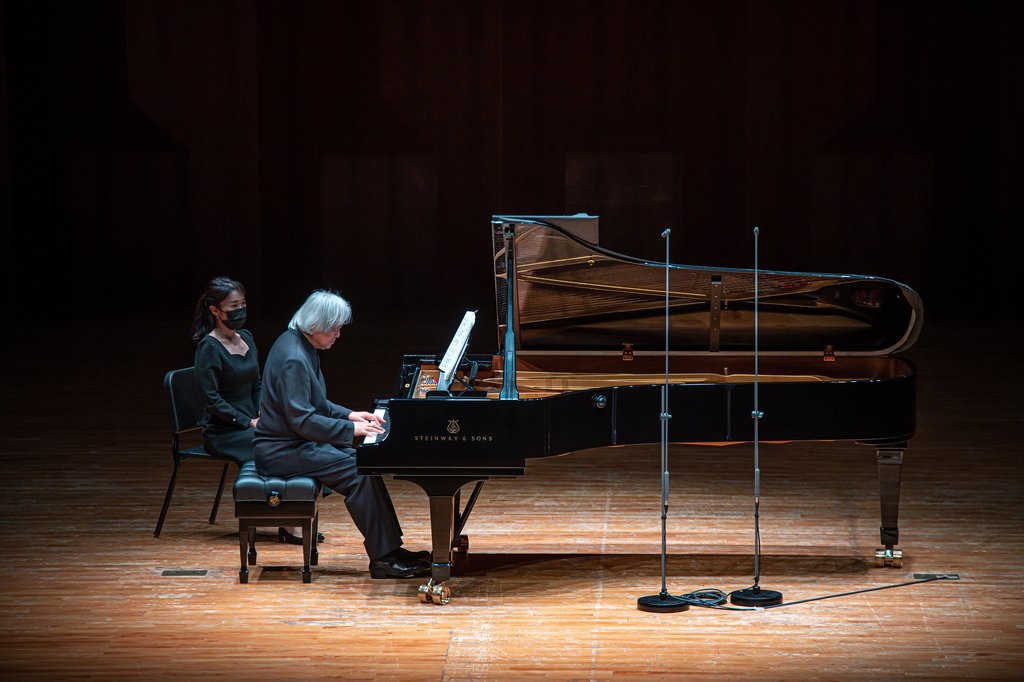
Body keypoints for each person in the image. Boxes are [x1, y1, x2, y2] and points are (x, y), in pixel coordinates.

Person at [254, 290, 429, 579]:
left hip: (294, 442)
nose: (338, 335)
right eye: (334, 329)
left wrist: (349, 415)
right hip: (280, 451)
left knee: (363, 465)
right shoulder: (294, 358)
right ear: (315, 325)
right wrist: (350, 430)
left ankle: (389, 550)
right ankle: (383, 559)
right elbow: (303, 420)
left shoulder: (299, 343)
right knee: (358, 472)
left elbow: (316, 403)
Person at [191, 276, 317, 546]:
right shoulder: (208, 348)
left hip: (254, 422)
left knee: (296, 437)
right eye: (233, 305)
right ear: (215, 311)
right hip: (225, 430)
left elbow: (257, 384)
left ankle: (294, 514)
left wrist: (267, 415)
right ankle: (289, 522)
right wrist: (249, 422)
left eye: (243, 303)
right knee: (278, 446)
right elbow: (212, 399)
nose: (241, 310)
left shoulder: (246, 337)